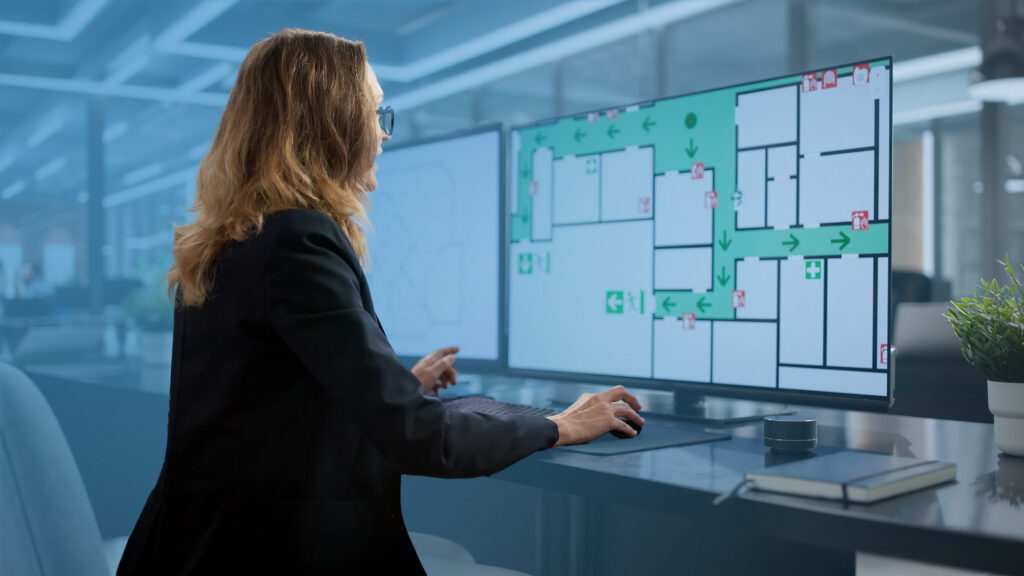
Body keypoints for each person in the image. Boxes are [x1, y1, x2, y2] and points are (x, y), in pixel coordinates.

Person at [117, 28, 643, 575]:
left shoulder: (236, 238)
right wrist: (560, 425)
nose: (383, 133)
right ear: (332, 123)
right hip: (271, 553)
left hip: (199, 545)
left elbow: (261, 404)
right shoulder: (299, 240)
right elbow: (420, 440)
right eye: (374, 112)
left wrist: (396, 387)